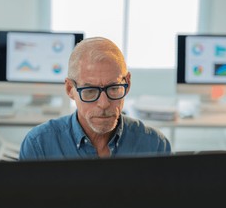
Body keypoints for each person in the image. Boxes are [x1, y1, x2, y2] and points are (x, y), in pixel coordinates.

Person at [19, 37, 171, 160]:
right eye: (90, 91)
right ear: (70, 89)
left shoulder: (155, 146)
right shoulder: (39, 146)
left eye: (113, 88)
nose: (104, 104)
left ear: (128, 83)